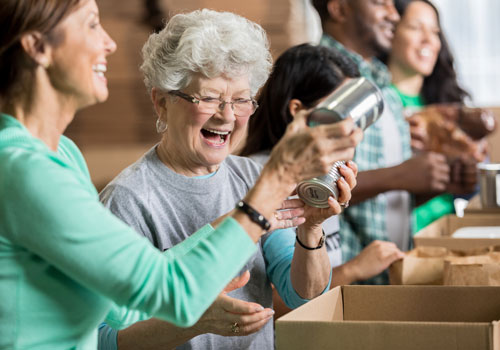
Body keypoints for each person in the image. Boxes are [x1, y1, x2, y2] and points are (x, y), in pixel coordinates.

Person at [0, 1, 362, 349]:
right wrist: (275, 181)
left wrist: (299, 224)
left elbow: (127, 302)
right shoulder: (27, 171)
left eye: (241, 100)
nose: (109, 42)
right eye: (92, 23)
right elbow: (165, 297)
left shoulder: (63, 153)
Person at [241, 43, 404, 289]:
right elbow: (267, 298)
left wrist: (313, 225)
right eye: (340, 109)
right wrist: (354, 269)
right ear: (297, 111)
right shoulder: (261, 176)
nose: (348, 127)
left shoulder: (324, 173)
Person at [312, 0, 451, 284]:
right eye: (379, 3)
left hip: (388, 278)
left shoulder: (382, 86)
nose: (393, 14)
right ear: (339, 9)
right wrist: (400, 175)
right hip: (346, 288)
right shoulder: (319, 80)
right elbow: (314, 186)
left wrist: (433, 182)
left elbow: (383, 201)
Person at [385, 0, 481, 231]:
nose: (429, 40)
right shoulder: (381, 105)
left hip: (451, 228)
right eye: (416, 28)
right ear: (389, 32)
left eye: (435, 32)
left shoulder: (446, 103)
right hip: (403, 233)